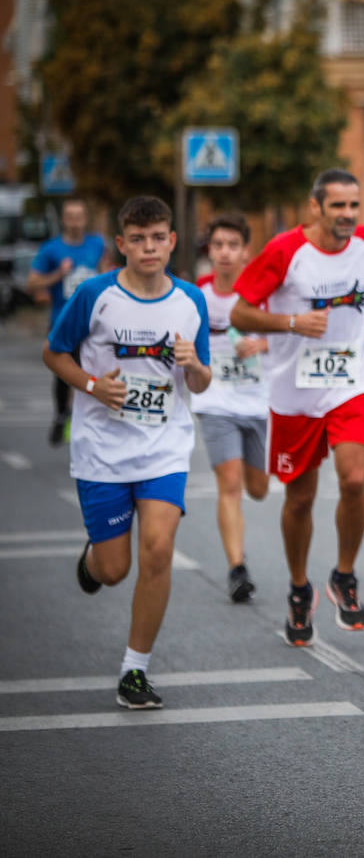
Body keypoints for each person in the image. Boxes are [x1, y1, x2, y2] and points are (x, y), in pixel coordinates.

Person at [42, 196, 211, 709]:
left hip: (164, 445)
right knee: (115, 570)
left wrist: (194, 365)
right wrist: (92, 385)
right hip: (102, 449)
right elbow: (54, 352)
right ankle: (95, 561)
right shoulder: (95, 294)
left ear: (172, 240)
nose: (149, 247)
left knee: (158, 548)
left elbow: (201, 383)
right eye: (137, 239)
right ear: (121, 244)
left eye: (158, 237)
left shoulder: (190, 301)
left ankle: (134, 671)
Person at [231, 169, 364, 646]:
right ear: (315, 206)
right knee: (299, 498)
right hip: (294, 390)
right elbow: (239, 312)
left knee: (355, 478)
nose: (348, 216)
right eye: (338, 206)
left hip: (350, 381)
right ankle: (300, 588)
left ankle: (343, 575)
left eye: (354, 206)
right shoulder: (284, 250)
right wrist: (292, 321)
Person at [192, 213, 270, 603]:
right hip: (215, 400)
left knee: (258, 488)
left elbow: (291, 337)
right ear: (210, 250)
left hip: (256, 401)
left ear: (245, 252)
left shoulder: (260, 294)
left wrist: (263, 344)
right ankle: (237, 568)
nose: (224, 253)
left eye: (232, 245)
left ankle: (238, 561)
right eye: (217, 245)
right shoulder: (196, 296)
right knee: (231, 483)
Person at [28, 196, 108, 445]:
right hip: (63, 320)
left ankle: (93, 419)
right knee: (64, 373)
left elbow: (107, 271)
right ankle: (62, 413)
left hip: (94, 322)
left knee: (94, 369)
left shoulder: (96, 244)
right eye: (70, 217)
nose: (75, 222)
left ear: (85, 219)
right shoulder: (51, 250)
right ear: (64, 219)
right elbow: (32, 283)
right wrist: (57, 275)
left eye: (79, 216)